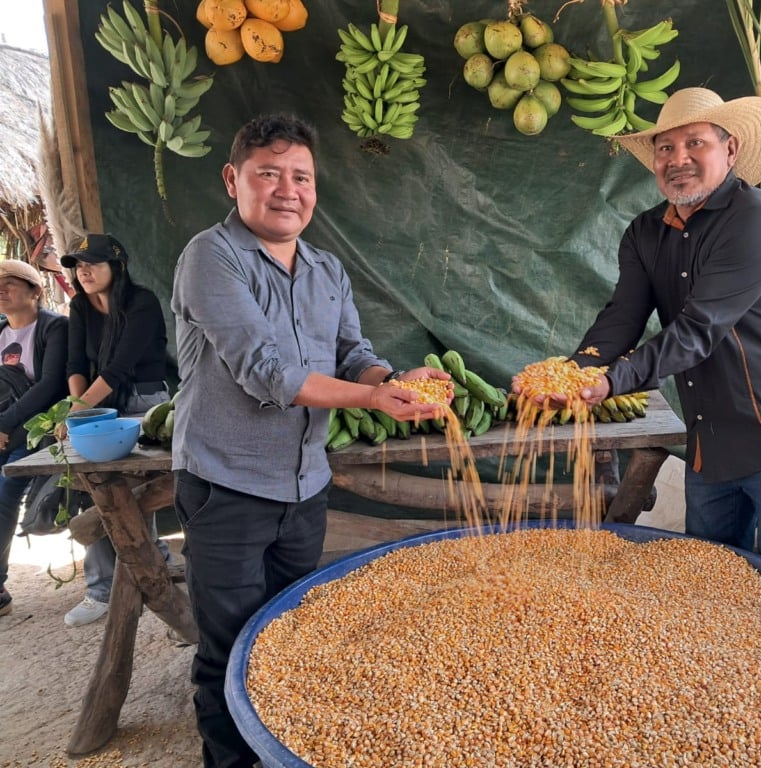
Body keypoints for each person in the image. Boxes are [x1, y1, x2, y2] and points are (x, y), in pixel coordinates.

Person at [171, 113, 448, 768]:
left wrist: (393, 378)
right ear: (233, 179)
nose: (287, 189)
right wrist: (373, 397)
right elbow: (268, 372)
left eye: (301, 176)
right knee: (230, 650)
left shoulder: (326, 269)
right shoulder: (211, 256)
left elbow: (355, 354)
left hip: (303, 488)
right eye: (268, 174)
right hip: (226, 486)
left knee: (295, 633)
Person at [519, 88, 761, 583]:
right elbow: (622, 317)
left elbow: (697, 330)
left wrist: (609, 383)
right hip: (711, 436)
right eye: (665, 148)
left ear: (729, 151)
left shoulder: (759, 221)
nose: (678, 159)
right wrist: (571, 372)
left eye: (695, 143)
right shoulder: (646, 233)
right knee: (705, 579)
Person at [59, 234, 180, 627]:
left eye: (93, 263)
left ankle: (152, 560)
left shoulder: (141, 302)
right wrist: (79, 412)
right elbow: (75, 364)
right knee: (98, 488)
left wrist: (78, 410)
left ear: (118, 266)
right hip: (101, 403)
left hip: (146, 402)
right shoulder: (80, 305)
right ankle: (101, 587)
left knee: (135, 488)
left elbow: (120, 367)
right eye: (78, 265)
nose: (84, 272)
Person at [0, 260, 69, 617]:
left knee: (4, 491)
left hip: (39, 432)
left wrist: (5, 426)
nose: (1, 290)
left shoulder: (55, 328)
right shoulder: (0, 331)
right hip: (3, 429)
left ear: (35, 291)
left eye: (9, 283)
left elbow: (50, 386)